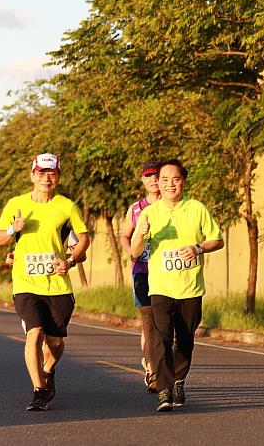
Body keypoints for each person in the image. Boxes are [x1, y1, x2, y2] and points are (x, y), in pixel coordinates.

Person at [0, 153, 90, 411]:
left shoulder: (66, 206)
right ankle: (39, 390)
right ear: (32, 175)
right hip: (26, 284)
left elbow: (83, 239)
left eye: (51, 173)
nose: (46, 178)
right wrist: (15, 228)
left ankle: (48, 368)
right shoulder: (16, 204)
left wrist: (69, 261)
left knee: (55, 342)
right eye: (41, 173)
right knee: (34, 333)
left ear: (57, 176)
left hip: (58, 284)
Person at [130, 158, 224, 412]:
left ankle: (179, 380)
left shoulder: (197, 208)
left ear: (183, 181)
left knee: (185, 339)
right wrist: (141, 234)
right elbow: (134, 252)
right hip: (160, 286)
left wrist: (198, 247)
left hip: (191, 287)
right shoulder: (149, 213)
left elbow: (218, 240)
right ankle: (163, 389)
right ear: (157, 184)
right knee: (160, 337)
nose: (170, 184)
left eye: (175, 179)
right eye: (164, 180)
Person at [119, 161, 161, 392]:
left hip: (167, 272)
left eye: (157, 176)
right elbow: (125, 235)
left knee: (165, 323)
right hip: (142, 271)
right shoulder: (136, 209)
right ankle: (153, 372)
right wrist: (132, 253)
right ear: (143, 180)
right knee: (148, 322)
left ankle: (162, 366)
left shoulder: (171, 206)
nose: (153, 180)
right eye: (149, 176)